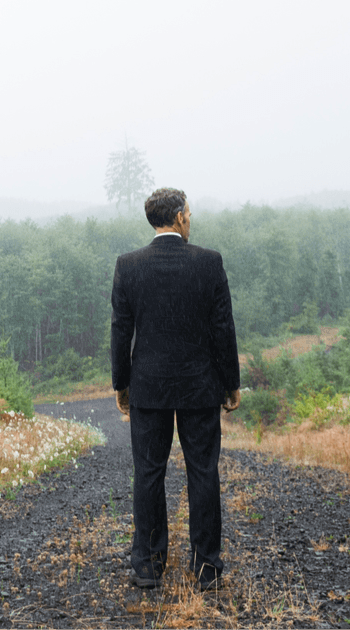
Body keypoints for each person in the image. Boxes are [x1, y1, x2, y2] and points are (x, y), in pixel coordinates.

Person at [111, 187, 241, 591]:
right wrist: (230, 382)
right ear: (181, 217)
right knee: (203, 472)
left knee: (148, 473)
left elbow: (121, 330)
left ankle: (148, 567)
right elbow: (222, 327)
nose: (191, 219)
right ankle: (206, 568)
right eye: (190, 213)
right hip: (200, 387)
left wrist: (122, 383)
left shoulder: (129, 265)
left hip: (148, 387)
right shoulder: (209, 262)